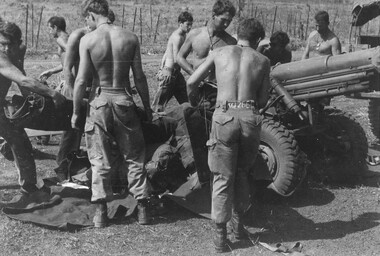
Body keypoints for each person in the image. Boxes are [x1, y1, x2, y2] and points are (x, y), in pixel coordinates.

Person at [187, 18, 270, 252]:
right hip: (249, 117)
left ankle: (221, 235)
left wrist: (194, 101)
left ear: (238, 33)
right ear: (256, 40)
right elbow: (262, 100)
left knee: (222, 175)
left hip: (223, 117)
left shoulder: (219, 52)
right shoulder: (262, 60)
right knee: (242, 172)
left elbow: (192, 80)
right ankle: (239, 225)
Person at [72, 0, 153, 227]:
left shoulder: (88, 40)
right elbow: (139, 78)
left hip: (99, 102)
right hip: (123, 99)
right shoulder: (130, 37)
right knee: (134, 157)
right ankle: (143, 209)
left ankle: (100, 212)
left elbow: (80, 81)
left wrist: (76, 112)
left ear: (90, 14)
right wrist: (147, 108)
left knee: (99, 158)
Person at [0, 21, 65, 194]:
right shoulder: (1, 57)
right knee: (17, 139)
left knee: (19, 141)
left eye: (9, 45)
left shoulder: (19, 51)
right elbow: (24, 80)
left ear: (18, 42)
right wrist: (53, 93)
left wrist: (32, 98)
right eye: (2, 44)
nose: (5, 49)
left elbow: (20, 77)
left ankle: (28, 185)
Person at [177, 0, 237, 81]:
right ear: (213, 15)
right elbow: (180, 57)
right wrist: (194, 74)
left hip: (216, 89)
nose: (226, 24)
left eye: (229, 21)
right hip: (196, 88)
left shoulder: (231, 42)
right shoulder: (195, 34)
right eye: (223, 20)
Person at [150, 11, 193, 112]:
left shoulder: (183, 35)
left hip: (176, 74)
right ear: (180, 23)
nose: (190, 27)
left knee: (186, 102)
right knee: (158, 107)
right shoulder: (177, 37)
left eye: (191, 24)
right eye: (188, 24)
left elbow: (166, 53)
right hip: (169, 75)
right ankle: (152, 126)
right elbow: (176, 59)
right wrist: (192, 70)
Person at [39, 16, 69, 81]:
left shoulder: (60, 39)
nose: (50, 32)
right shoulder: (68, 37)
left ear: (55, 28)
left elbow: (71, 53)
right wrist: (51, 71)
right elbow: (67, 62)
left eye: (50, 29)